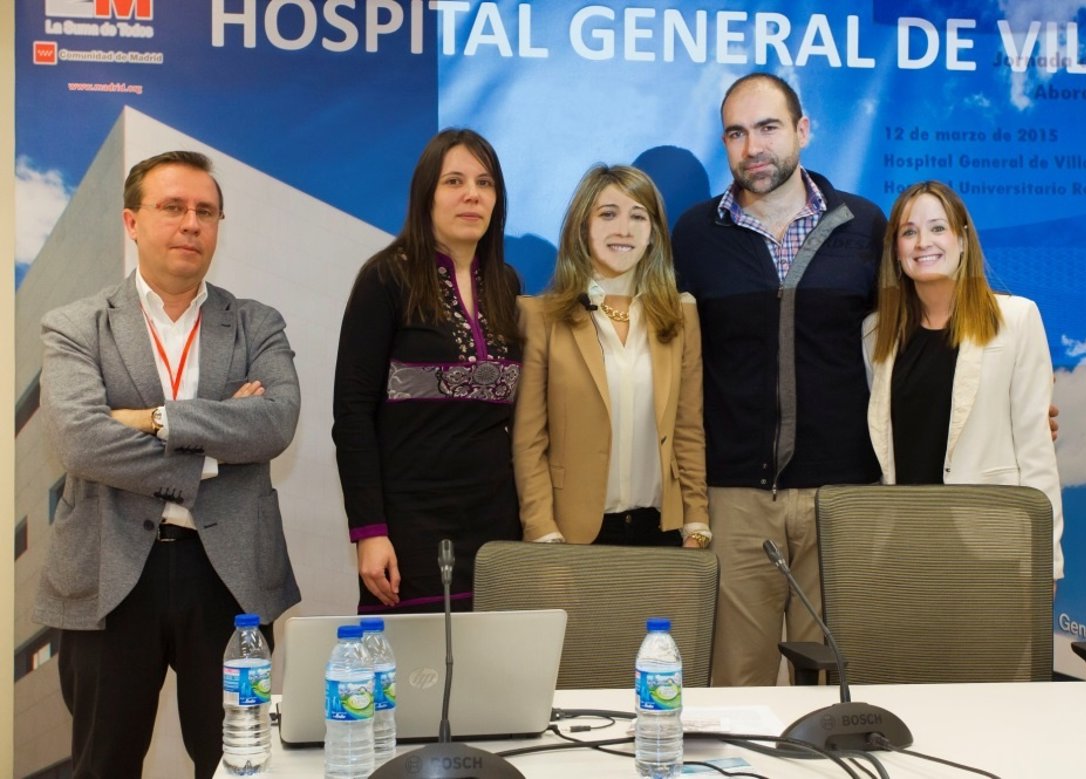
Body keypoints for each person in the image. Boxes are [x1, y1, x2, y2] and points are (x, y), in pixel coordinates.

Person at [34, 150, 302, 778]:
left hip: (228, 577)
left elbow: (274, 423)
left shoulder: (257, 324)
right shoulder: (75, 326)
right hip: (108, 572)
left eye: (206, 212)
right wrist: (211, 446)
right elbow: (80, 440)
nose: (191, 223)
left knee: (241, 764)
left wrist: (150, 417)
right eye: (173, 207)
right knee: (103, 764)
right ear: (132, 221)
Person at [671, 73, 886, 686]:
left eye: (767, 128)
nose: (753, 147)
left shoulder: (865, 225)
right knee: (736, 685)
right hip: (735, 499)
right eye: (736, 134)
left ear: (803, 130)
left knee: (835, 684)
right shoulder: (694, 234)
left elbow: (910, 340)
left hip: (841, 495)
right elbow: (667, 359)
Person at [333, 129, 523, 614]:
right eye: (454, 181)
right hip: (408, 530)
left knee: (495, 657)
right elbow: (352, 414)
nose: (472, 194)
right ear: (426, 195)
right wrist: (370, 531)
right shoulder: (385, 278)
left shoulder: (508, 285)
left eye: (485, 183)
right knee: (410, 661)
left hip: (499, 530)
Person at [863, 180, 1064, 579]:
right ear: (896, 250)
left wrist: (1046, 563)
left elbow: (1036, 453)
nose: (923, 242)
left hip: (991, 547)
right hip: (903, 548)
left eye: (938, 228)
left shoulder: (1017, 319)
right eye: (909, 232)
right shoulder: (875, 333)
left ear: (962, 239)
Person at [513, 164, 710, 547]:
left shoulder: (680, 316)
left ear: (653, 234)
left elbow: (688, 429)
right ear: (582, 228)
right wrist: (543, 532)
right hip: (571, 536)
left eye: (638, 216)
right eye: (608, 214)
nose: (624, 229)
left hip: (662, 532)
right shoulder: (542, 317)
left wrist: (697, 525)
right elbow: (529, 440)